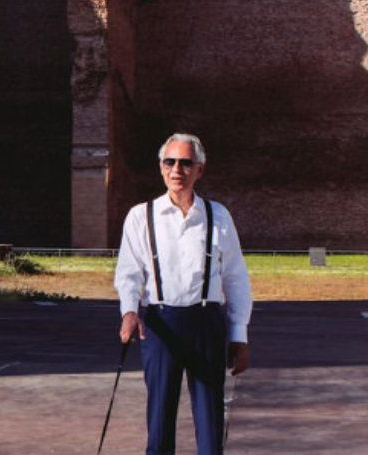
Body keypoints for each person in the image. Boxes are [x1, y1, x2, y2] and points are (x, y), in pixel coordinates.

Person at [114, 133, 252, 455]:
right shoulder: (140, 216)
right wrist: (129, 311)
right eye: (170, 162)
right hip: (161, 324)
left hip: (206, 322)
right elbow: (129, 273)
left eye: (185, 162)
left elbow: (236, 278)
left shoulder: (218, 216)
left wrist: (239, 335)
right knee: (160, 421)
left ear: (199, 170)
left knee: (210, 422)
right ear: (161, 168)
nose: (177, 169)